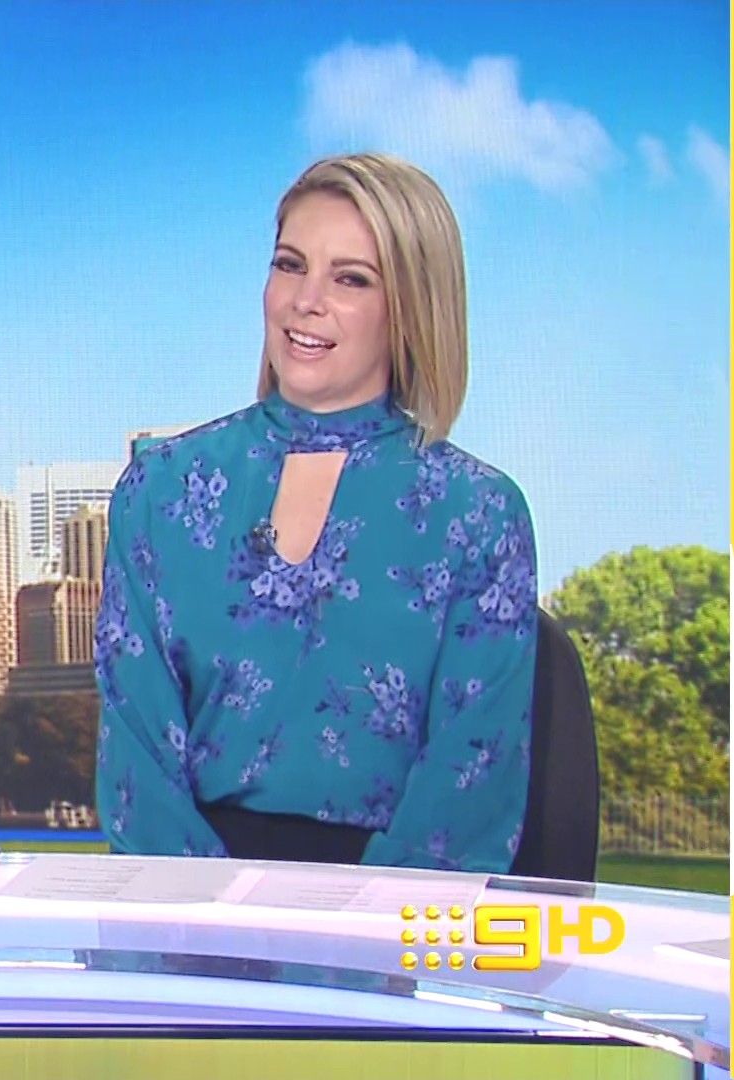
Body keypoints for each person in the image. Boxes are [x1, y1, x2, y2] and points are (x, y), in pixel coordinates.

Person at [95, 153, 537, 872]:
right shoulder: (160, 489)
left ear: (411, 307)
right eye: (290, 265)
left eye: (351, 279)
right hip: (181, 903)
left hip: (387, 917)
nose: (306, 300)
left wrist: (354, 927)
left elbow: (469, 795)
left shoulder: (481, 514)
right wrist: (204, 918)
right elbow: (136, 770)